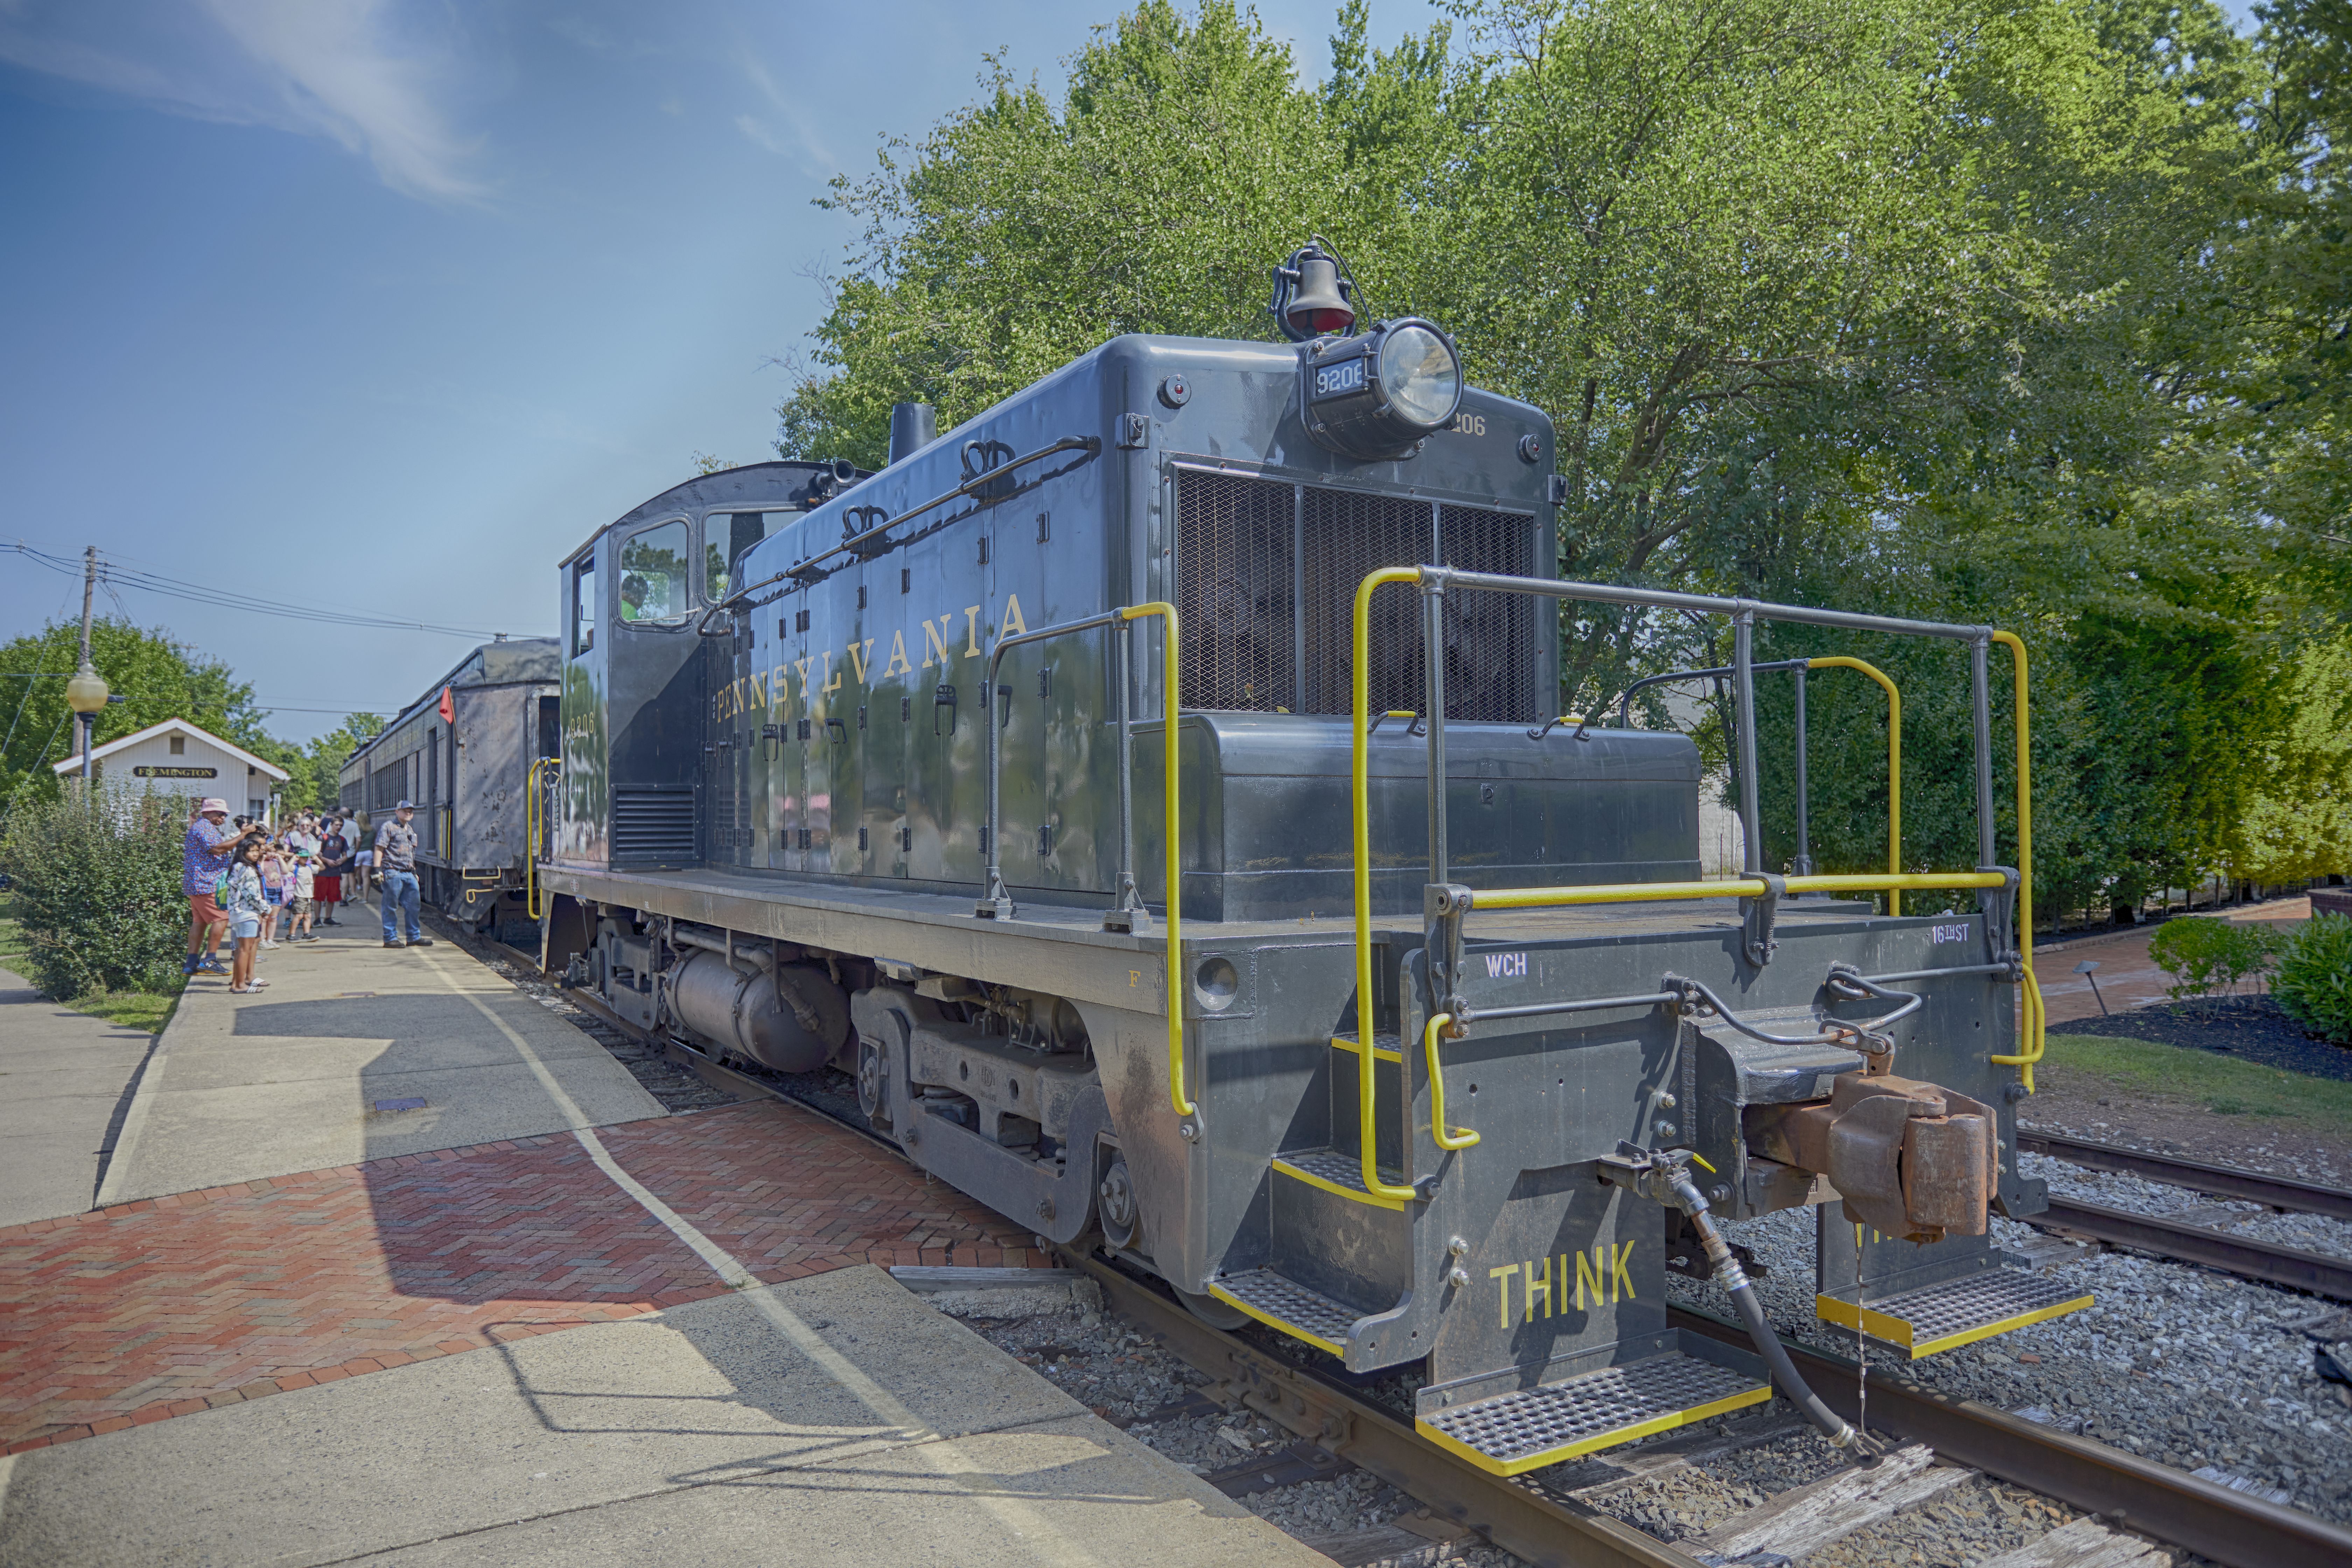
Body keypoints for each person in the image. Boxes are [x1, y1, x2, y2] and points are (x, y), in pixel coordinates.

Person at [183, 798, 261, 978]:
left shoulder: (205, 827)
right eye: (220, 814)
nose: (223, 818)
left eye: (225, 815)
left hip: (200, 883)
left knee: (200, 922)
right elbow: (218, 849)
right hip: (206, 883)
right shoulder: (204, 828)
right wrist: (243, 835)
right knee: (222, 918)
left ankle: (191, 963)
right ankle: (210, 960)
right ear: (207, 812)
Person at [375, 800, 433, 949]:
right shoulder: (388, 827)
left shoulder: (410, 830)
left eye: (411, 811)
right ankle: (390, 938)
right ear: (397, 812)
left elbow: (410, 854)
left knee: (414, 906)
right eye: (405, 810)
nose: (408, 813)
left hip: (409, 874)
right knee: (390, 906)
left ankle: (414, 937)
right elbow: (380, 848)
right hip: (393, 872)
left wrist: (414, 872)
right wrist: (377, 870)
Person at [224, 838, 271, 993]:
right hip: (248, 914)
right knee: (245, 950)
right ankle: (241, 985)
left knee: (240, 950)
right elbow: (251, 895)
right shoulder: (248, 870)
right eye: (252, 851)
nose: (256, 854)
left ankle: (236, 983)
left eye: (257, 851)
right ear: (243, 852)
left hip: (237, 914)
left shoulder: (236, 867)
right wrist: (266, 909)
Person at [314, 819, 348, 925]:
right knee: (319, 897)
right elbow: (317, 854)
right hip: (322, 872)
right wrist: (327, 861)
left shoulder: (342, 839)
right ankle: (317, 919)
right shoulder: (323, 838)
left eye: (341, 825)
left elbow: (345, 855)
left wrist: (343, 860)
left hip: (335, 872)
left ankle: (328, 918)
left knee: (332, 897)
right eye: (337, 825)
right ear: (332, 825)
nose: (339, 827)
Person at [259, 839, 289, 948]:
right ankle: (262, 940)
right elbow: (261, 872)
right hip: (267, 892)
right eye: (269, 852)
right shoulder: (261, 862)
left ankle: (270, 939)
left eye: (273, 852)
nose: (271, 854)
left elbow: (286, 871)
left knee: (273, 917)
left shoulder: (276, 862)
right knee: (265, 918)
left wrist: (280, 858)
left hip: (278, 891)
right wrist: (263, 859)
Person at [288, 851, 318, 943]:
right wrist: (293, 858)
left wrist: (316, 859)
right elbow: (287, 868)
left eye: (307, 857)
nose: (305, 859)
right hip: (299, 895)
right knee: (299, 916)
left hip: (309, 896)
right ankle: (291, 935)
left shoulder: (310, 867)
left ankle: (307, 934)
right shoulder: (296, 867)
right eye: (303, 857)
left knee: (308, 916)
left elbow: (322, 867)